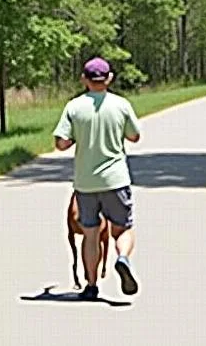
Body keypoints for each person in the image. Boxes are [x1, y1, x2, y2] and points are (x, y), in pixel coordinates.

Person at [54, 57, 141, 301]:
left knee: (90, 234)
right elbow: (134, 136)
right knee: (122, 228)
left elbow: (60, 143)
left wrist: (75, 139)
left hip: (85, 182)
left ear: (84, 79)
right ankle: (122, 258)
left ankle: (91, 286)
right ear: (109, 78)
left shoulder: (73, 107)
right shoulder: (121, 105)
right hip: (116, 179)